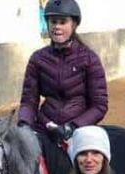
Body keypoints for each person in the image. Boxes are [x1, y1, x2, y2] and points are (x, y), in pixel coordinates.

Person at [18, 0, 108, 162]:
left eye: (62, 22)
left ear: (74, 24)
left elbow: (99, 105)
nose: (57, 27)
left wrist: (72, 127)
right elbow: (28, 101)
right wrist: (24, 124)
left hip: (79, 130)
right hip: (45, 127)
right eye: (53, 22)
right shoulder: (38, 59)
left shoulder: (89, 59)